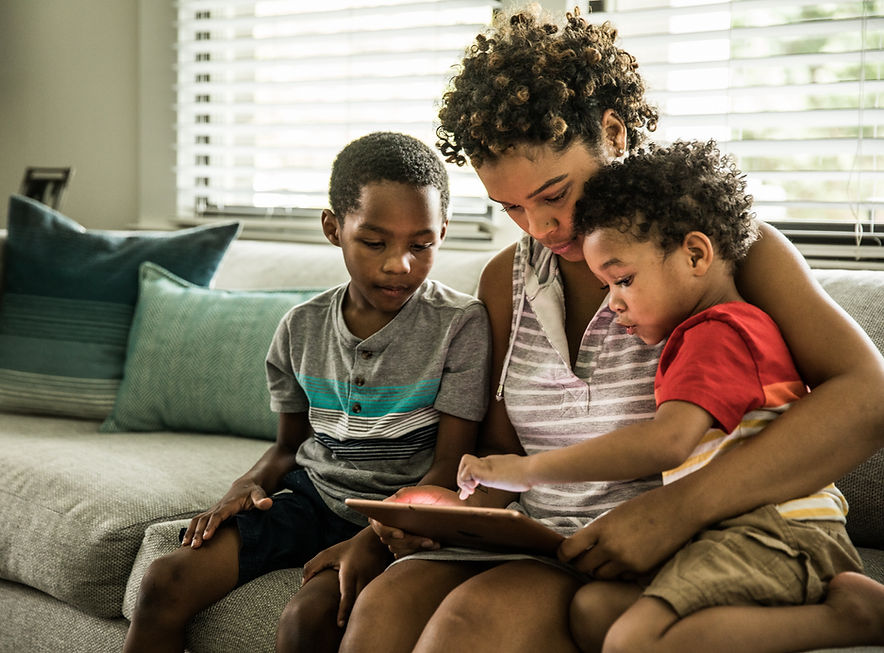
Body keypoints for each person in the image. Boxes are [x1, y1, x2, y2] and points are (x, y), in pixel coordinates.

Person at [339, 8, 884, 653]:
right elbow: (500, 453)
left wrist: (678, 509)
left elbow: (867, 399)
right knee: (383, 607)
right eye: (511, 207)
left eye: (553, 194)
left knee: (467, 627)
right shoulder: (505, 280)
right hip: (545, 538)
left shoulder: (712, 251)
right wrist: (424, 518)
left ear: (615, 132)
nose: (538, 227)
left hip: (668, 547)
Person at [457, 139, 884, 652]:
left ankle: (850, 617)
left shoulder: (718, 333)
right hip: (730, 533)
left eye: (623, 282)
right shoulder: (694, 330)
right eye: (511, 208)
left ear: (697, 253)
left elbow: (667, 443)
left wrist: (525, 470)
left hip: (774, 530)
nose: (538, 227)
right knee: (596, 613)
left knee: (631, 641)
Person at [122, 131, 491, 653]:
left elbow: (448, 469)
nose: (399, 264)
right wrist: (242, 486)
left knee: (307, 620)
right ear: (333, 227)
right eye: (374, 241)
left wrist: (371, 538)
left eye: (421, 245)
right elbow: (287, 448)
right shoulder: (301, 327)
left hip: (402, 515)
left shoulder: (460, 325)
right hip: (309, 499)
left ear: (443, 234)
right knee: (164, 579)